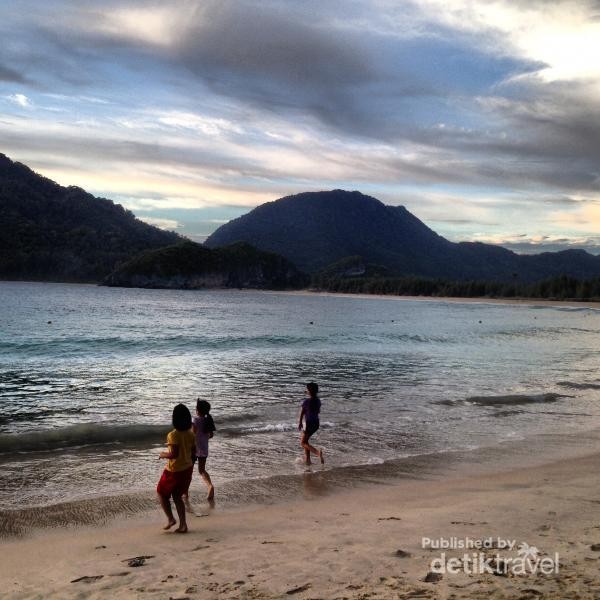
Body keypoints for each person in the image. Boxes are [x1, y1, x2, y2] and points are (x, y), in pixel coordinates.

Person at [157, 403, 195, 533]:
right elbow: (194, 452)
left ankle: (171, 519)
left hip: (173, 471)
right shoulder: (191, 434)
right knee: (177, 496)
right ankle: (183, 525)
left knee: (161, 493)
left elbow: (174, 454)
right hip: (187, 468)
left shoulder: (173, 435)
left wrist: (163, 454)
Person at [184, 399, 216, 508]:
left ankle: (185, 493)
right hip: (204, 448)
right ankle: (210, 486)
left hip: (194, 449)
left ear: (197, 410)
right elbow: (211, 435)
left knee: (189, 471)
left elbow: (192, 434)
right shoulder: (208, 420)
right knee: (202, 470)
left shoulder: (195, 419)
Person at [298, 381, 324, 465]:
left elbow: (302, 412)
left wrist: (300, 423)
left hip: (309, 423)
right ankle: (308, 461)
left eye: (307, 390)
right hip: (316, 423)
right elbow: (318, 411)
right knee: (306, 441)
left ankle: (317, 453)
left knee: (303, 443)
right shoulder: (318, 401)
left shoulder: (306, 402)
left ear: (309, 391)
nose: (306, 391)